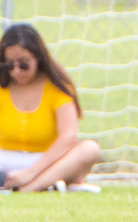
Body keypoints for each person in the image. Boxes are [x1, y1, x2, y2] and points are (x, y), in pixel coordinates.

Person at [0, 24, 100, 193]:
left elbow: (68, 138)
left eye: (24, 65)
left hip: (47, 162)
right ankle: (48, 185)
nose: (16, 71)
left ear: (38, 58)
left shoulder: (58, 88)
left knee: (89, 149)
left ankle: (29, 188)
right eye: (9, 65)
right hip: (5, 160)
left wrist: (29, 174)